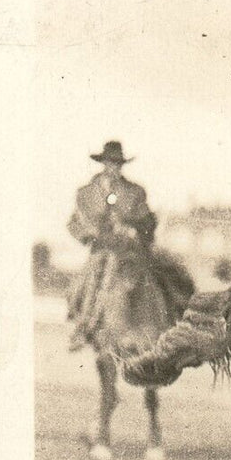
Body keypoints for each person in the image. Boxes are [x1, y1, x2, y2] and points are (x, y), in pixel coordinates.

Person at [66, 141, 158, 349]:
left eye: (117, 164)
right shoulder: (86, 193)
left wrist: (134, 229)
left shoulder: (135, 192)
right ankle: (84, 326)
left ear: (122, 165)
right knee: (84, 285)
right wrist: (89, 234)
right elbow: (74, 223)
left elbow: (147, 221)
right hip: (100, 250)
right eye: (109, 163)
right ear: (103, 164)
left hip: (128, 252)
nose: (113, 168)